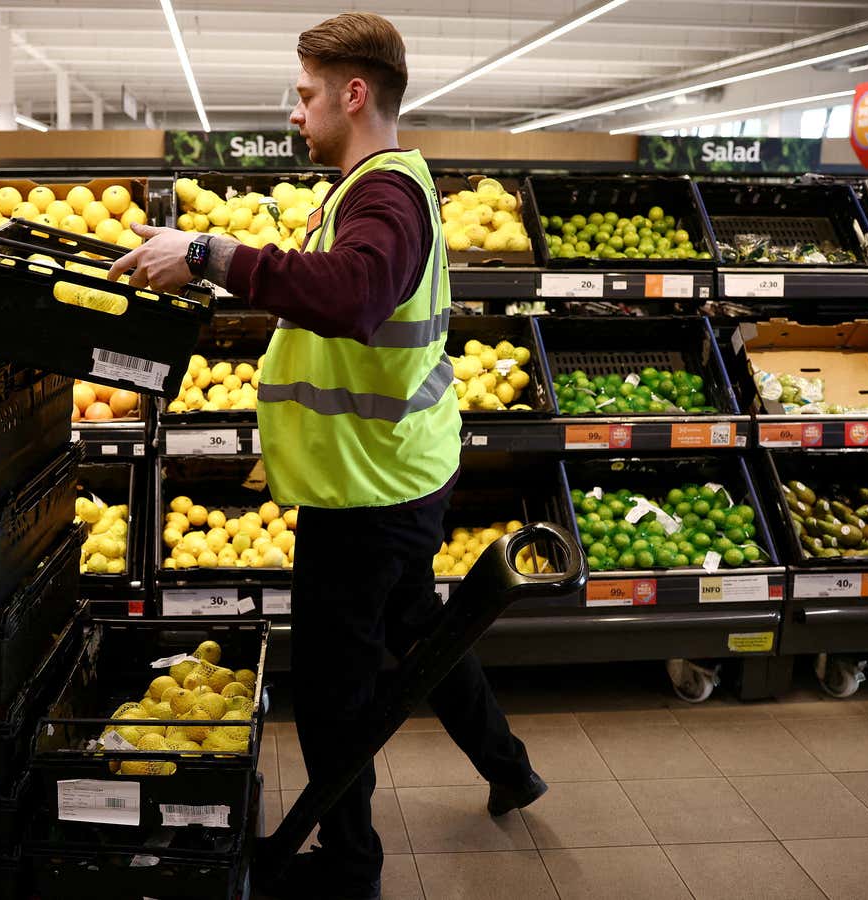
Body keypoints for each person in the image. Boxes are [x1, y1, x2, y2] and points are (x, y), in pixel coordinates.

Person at [107, 12, 545, 899]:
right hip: (394, 469)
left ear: (354, 93)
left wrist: (208, 252)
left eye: (306, 95)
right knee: (420, 629)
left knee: (336, 692)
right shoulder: (377, 186)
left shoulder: (384, 194)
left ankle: (349, 870)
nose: (295, 112)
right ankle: (510, 766)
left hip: (366, 492)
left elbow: (350, 298)